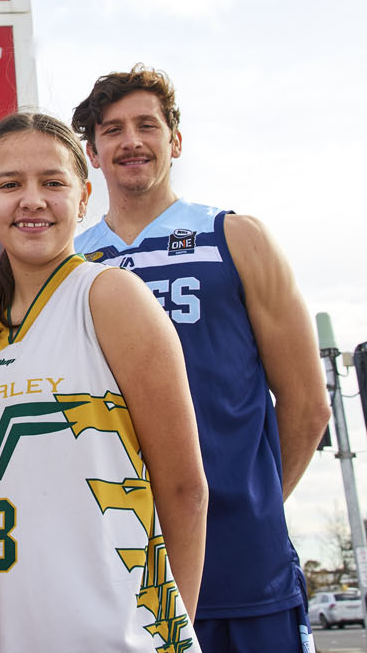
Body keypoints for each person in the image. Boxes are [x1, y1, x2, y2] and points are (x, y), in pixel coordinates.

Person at [70, 65, 331, 653]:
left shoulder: (235, 237)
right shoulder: (71, 265)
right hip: (114, 560)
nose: (131, 140)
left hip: (242, 559)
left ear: (175, 140)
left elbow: (309, 404)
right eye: (112, 130)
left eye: (147, 125)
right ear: (92, 152)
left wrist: (246, 500)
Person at [0, 111, 207, 652]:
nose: (32, 200)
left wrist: (167, 632)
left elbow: (184, 489)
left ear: (84, 197)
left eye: (52, 182)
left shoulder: (109, 296)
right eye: (11, 184)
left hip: (107, 635)